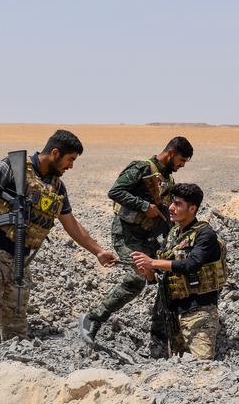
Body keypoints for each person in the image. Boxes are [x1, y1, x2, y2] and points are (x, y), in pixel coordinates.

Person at [0, 129, 115, 349]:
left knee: (17, 332)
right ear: (55, 153)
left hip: (20, 262)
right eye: (70, 159)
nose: (71, 166)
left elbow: (71, 223)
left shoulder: (56, 186)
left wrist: (98, 251)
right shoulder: (13, 166)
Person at [78, 137, 193, 346]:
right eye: (182, 159)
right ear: (171, 153)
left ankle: (159, 334)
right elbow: (115, 191)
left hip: (152, 237)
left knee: (169, 278)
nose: (182, 165)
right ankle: (93, 318)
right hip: (127, 235)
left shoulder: (168, 180)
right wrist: (143, 206)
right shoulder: (142, 168)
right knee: (137, 278)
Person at [133, 183, 224, 360]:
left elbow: (191, 264)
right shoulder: (174, 233)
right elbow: (161, 275)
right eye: (172, 203)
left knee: (202, 366)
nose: (171, 208)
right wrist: (148, 270)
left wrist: (153, 262)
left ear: (192, 208)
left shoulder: (205, 234)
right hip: (173, 314)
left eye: (178, 204)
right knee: (179, 368)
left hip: (200, 313)